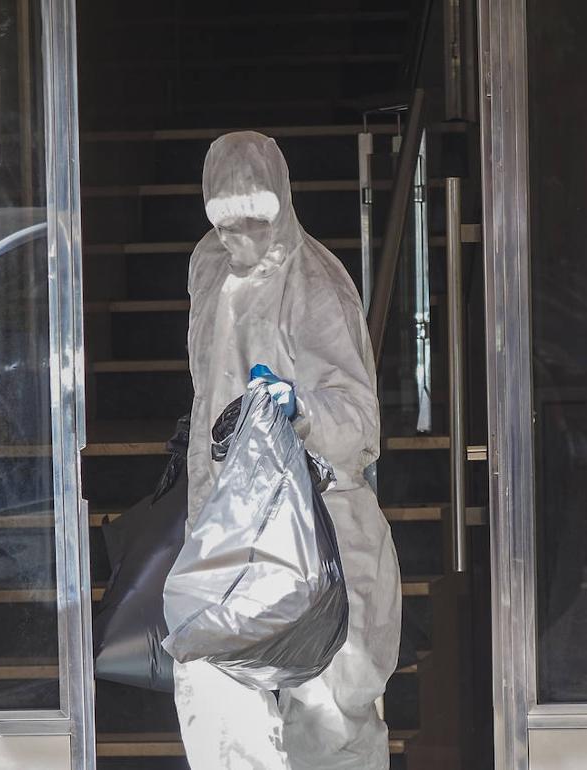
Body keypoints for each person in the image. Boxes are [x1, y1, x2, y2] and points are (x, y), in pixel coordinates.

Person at [175, 131, 402, 770]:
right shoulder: (208, 269)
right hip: (229, 538)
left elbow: (358, 422)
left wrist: (300, 412)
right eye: (225, 218)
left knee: (330, 720)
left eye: (256, 215)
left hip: (318, 534)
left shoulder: (316, 282)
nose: (240, 233)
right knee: (224, 723)